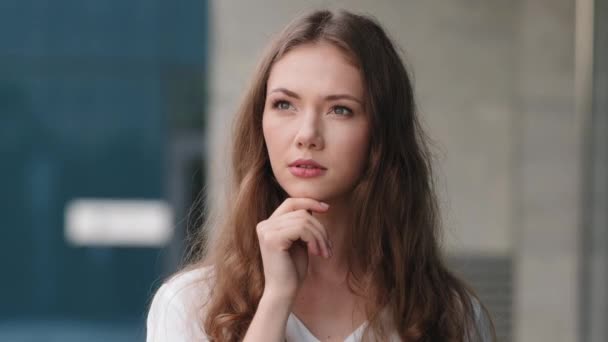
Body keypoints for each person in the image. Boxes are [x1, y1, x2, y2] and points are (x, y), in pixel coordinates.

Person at [146, 8, 496, 342]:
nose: (307, 134)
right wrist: (276, 299)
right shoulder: (190, 305)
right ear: (260, 121)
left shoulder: (450, 315)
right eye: (285, 104)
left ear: (381, 133)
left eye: (340, 109)